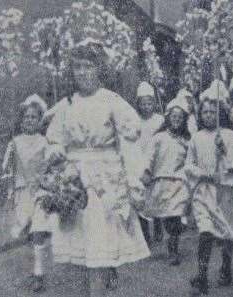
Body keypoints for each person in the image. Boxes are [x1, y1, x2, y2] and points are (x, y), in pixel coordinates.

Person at [45, 42, 150, 296]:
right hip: (75, 181)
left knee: (99, 243)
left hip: (105, 182)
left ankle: (99, 289)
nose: (82, 72)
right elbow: (54, 138)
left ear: (99, 69)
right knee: (84, 248)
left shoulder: (111, 101)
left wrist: (133, 179)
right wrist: (56, 150)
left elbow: (129, 138)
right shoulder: (66, 104)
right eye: (77, 67)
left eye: (88, 66)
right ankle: (98, 283)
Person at [185, 81, 233, 295]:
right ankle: (202, 275)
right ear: (200, 115)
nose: (208, 116)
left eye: (213, 112)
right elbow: (188, 165)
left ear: (220, 113)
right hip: (204, 191)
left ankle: (226, 267)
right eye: (204, 112)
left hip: (225, 192)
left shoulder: (229, 136)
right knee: (205, 231)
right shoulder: (196, 138)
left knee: (226, 233)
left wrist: (224, 151)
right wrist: (202, 173)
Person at [1, 95, 52, 293]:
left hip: (40, 191)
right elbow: (6, 169)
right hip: (22, 192)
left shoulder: (44, 142)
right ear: (21, 120)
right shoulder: (14, 142)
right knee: (25, 230)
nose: (29, 120)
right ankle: (34, 264)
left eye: (33, 117)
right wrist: (8, 167)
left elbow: (51, 166)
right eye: (26, 117)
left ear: (39, 120)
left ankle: (38, 274)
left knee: (38, 229)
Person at [141, 96, 191, 266]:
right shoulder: (159, 138)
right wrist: (147, 171)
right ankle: (172, 239)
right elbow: (149, 156)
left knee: (176, 214)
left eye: (180, 117)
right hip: (162, 182)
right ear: (168, 118)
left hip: (180, 183)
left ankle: (173, 249)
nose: (176, 119)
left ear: (184, 120)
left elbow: (191, 160)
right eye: (173, 116)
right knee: (168, 217)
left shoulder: (186, 140)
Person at [135, 81, 165, 246]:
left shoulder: (159, 120)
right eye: (143, 104)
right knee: (141, 196)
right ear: (138, 104)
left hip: (156, 161)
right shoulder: (135, 120)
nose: (146, 107)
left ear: (154, 103)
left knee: (157, 194)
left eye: (149, 103)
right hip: (140, 160)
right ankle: (145, 232)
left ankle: (159, 226)